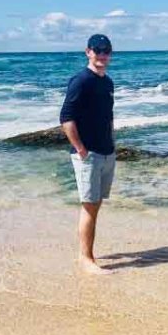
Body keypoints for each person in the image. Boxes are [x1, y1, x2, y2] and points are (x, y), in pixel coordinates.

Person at [59, 34, 116, 275]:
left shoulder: (107, 82)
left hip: (107, 152)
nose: (102, 54)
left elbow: (108, 116)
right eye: (97, 50)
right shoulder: (81, 81)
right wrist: (81, 149)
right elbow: (66, 118)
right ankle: (86, 259)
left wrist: (112, 143)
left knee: (96, 204)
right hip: (89, 154)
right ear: (88, 52)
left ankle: (85, 253)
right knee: (89, 206)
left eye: (106, 50)